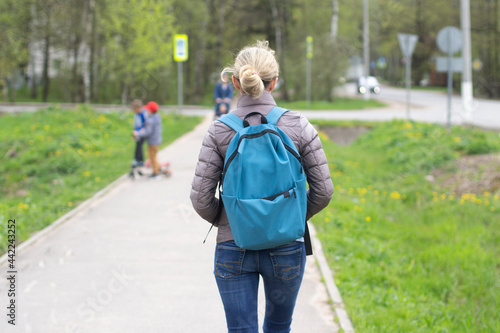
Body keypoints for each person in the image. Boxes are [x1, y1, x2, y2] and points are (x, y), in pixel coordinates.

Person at [190, 41, 333, 333]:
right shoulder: (299, 125)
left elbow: (201, 199)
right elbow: (323, 192)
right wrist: (288, 216)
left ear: (235, 82)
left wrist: (231, 220)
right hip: (285, 249)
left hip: (233, 246)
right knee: (279, 327)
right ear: (275, 82)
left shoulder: (219, 130)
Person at [133, 101, 162, 177]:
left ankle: (156, 172)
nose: (146, 112)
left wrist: (138, 133)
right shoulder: (156, 117)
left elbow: (148, 132)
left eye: (147, 110)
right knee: (153, 156)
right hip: (156, 140)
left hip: (152, 141)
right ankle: (158, 168)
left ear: (151, 111)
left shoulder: (151, 120)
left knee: (152, 157)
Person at [131, 99, 147, 166]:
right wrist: (134, 133)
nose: (133, 111)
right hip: (137, 133)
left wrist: (139, 132)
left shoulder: (144, 113)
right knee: (138, 145)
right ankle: (137, 159)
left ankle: (140, 160)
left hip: (142, 133)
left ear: (138, 108)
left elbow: (146, 124)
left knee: (139, 146)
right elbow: (136, 124)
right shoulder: (137, 114)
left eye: (134, 109)